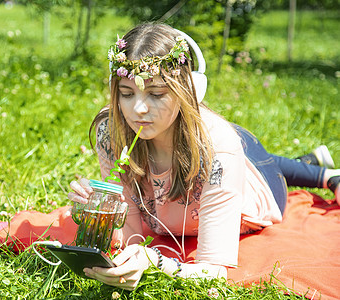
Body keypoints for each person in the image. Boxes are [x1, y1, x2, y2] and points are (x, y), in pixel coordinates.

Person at [67, 23, 340, 291]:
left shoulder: (220, 146)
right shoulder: (112, 129)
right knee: (235, 158)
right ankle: (308, 160)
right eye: (127, 94)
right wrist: (100, 210)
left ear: (186, 91)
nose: (138, 108)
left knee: (258, 164)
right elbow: (130, 234)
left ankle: (326, 175)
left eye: (156, 94)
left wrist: (155, 262)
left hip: (259, 184)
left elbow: (214, 272)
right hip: (209, 148)